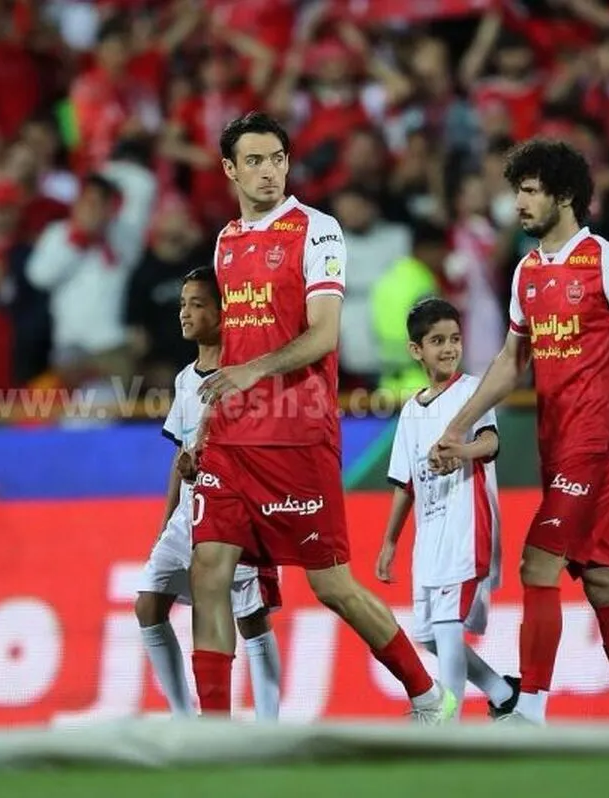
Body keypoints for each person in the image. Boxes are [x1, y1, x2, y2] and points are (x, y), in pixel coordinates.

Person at [189, 111, 456, 723]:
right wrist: (210, 413)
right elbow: (236, 340)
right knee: (208, 571)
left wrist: (255, 372)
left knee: (331, 585)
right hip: (231, 437)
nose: (269, 171)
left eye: (277, 159)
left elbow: (323, 334)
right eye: (254, 161)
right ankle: (213, 734)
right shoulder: (226, 240)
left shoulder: (317, 230)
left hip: (296, 435)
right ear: (229, 169)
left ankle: (427, 695)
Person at [432, 138, 609, 725]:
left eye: (530, 191)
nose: (519, 204)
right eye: (517, 191)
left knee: (538, 564)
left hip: (598, 446)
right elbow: (511, 362)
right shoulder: (527, 272)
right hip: (557, 451)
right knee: (604, 582)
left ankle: (529, 709)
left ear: (564, 196)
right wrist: (458, 423)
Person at [136, 266, 282, 720]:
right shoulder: (185, 379)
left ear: (224, 314)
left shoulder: (246, 375)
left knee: (250, 618)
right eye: (183, 304)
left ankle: (269, 726)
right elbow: (180, 455)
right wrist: (165, 523)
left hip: (235, 511)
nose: (185, 313)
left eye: (197, 304)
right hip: (188, 515)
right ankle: (185, 719)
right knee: (148, 605)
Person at [377, 297, 519, 721]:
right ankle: (503, 693)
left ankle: (447, 723)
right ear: (416, 350)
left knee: (447, 628)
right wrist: (389, 542)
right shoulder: (410, 411)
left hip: (466, 529)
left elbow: (491, 442)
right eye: (437, 341)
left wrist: (462, 451)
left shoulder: (473, 391)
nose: (449, 348)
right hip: (429, 539)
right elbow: (405, 482)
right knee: (430, 635)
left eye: (455, 339)